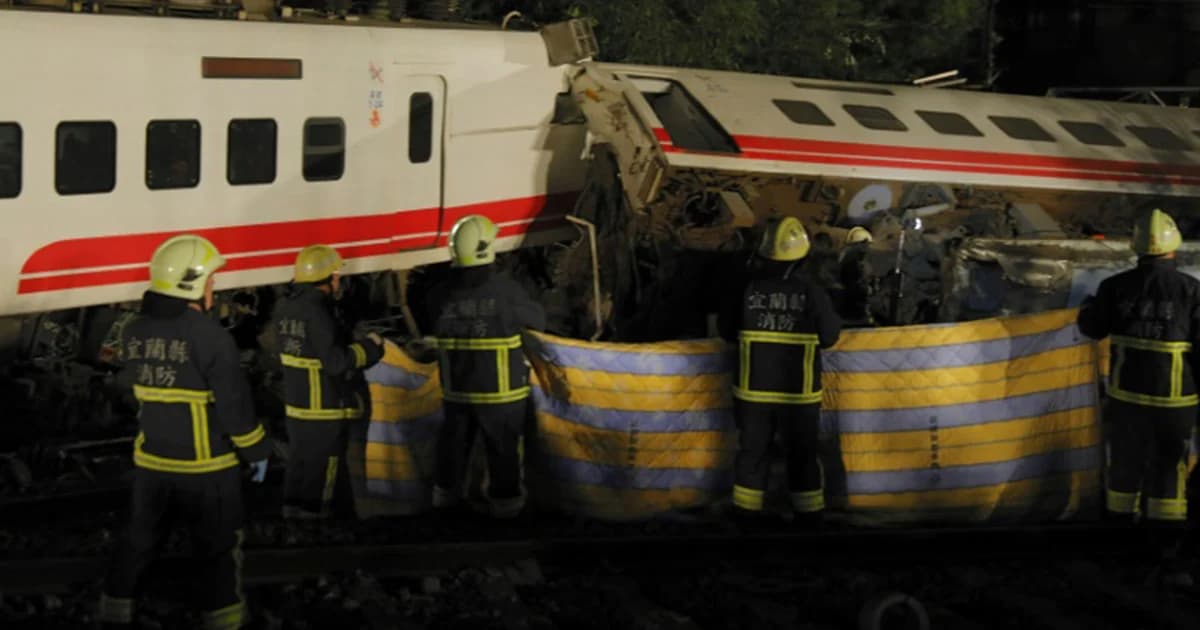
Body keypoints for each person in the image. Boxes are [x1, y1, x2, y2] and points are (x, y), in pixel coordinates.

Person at [98, 234, 271, 630]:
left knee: (139, 540)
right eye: (210, 279)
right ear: (192, 283)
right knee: (218, 550)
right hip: (207, 469)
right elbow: (235, 410)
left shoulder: (134, 331)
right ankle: (224, 620)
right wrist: (258, 451)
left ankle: (113, 613)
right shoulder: (211, 336)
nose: (214, 286)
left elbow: (132, 388)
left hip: (152, 463)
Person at [1078, 208, 1199, 587]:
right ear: (1173, 244)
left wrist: (1087, 307)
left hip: (1127, 396)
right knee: (1170, 467)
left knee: (1124, 466)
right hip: (1176, 400)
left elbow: (1092, 327)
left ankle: (1117, 540)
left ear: (1136, 245)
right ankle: (1164, 546)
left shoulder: (1115, 287)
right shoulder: (1192, 291)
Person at [720, 216, 841, 525]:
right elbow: (830, 338)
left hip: (753, 390)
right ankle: (809, 519)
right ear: (803, 257)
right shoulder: (812, 292)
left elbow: (726, 331)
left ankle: (745, 517)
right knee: (802, 456)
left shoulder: (746, 289)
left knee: (752, 454)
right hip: (799, 394)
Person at [426, 215, 546, 518]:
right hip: (501, 394)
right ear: (485, 247)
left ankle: (444, 506)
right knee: (503, 453)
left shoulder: (439, 294)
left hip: (457, 393)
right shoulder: (505, 291)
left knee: (453, 448)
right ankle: (506, 511)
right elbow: (538, 320)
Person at [272, 244, 384, 519]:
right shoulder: (318, 311)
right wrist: (371, 348)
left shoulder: (284, 307)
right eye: (336, 276)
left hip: (297, 408)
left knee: (299, 464)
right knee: (325, 470)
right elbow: (335, 362)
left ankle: (291, 519)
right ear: (330, 278)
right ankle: (317, 526)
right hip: (324, 409)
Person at [838, 226, 875, 325]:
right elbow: (853, 286)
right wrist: (867, 289)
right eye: (866, 245)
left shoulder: (846, 257)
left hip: (849, 309)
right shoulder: (852, 262)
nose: (868, 248)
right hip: (854, 311)